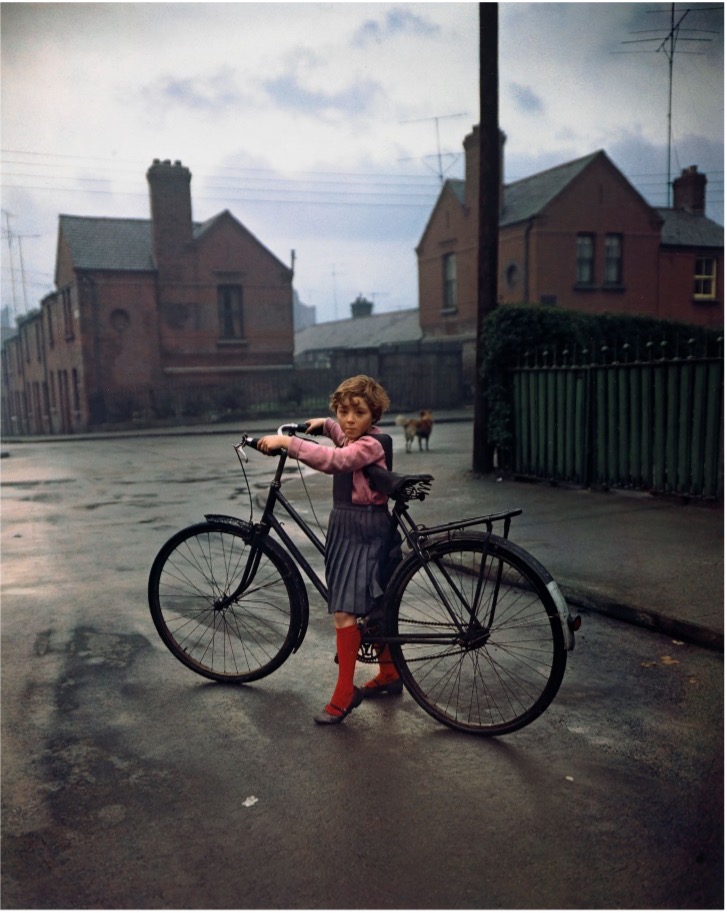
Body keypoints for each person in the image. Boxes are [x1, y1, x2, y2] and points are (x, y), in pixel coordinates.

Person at [257, 375, 402, 725]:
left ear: (374, 416)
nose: (349, 419)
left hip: (362, 530)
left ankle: (344, 692)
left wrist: (288, 444)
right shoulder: (352, 433)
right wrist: (321, 424)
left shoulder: (371, 445)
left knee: (345, 610)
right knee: (372, 603)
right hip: (348, 526)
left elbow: (335, 461)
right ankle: (389, 672)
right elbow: (337, 433)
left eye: (359, 412)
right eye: (343, 410)